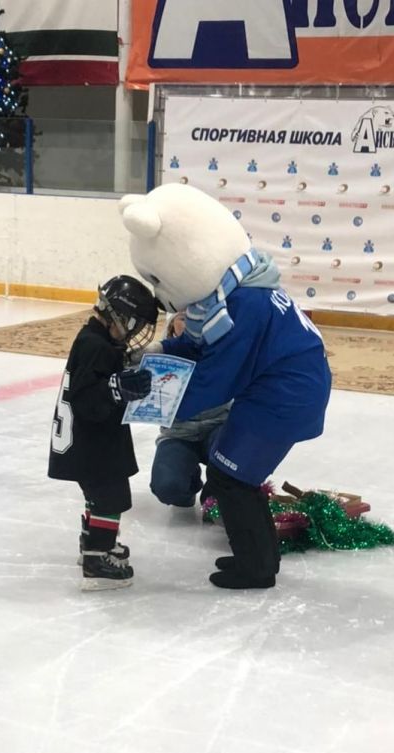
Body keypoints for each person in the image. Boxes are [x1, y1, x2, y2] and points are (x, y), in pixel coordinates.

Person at [120, 183, 332, 591]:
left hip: (283, 399)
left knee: (233, 479)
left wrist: (153, 398)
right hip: (277, 393)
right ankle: (260, 557)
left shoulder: (245, 307)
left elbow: (214, 381)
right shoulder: (234, 296)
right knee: (232, 474)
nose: (163, 297)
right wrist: (163, 350)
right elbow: (200, 342)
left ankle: (256, 568)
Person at [47, 275, 158, 590]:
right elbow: (85, 399)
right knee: (112, 497)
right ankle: (98, 559)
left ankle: (93, 543)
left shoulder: (95, 339)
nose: (136, 332)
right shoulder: (96, 346)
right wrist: (116, 386)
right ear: (121, 316)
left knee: (99, 496)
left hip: (92, 442)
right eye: (135, 324)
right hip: (92, 444)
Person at [148, 312, 230, 508]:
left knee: (236, 463)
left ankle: (214, 494)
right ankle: (189, 482)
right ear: (171, 324)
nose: (192, 326)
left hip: (219, 426)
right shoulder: (159, 359)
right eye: (184, 319)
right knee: (167, 487)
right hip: (178, 434)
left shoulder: (223, 350)